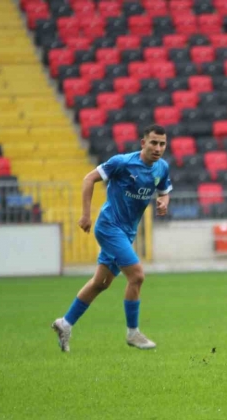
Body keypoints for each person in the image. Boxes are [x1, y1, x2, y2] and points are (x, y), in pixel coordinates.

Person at [50, 124, 172, 352]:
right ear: (143, 143)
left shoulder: (162, 168)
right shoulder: (122, 163)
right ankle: (133, 332)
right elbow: (88, 179)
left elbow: (165, 191)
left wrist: (164, 201)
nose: (158, 147)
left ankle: (65, 323)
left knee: (101, 283)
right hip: (109, 227)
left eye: (162, 143)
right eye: (153, 142)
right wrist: (85, 214)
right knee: (137, 276)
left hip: (126, 232)